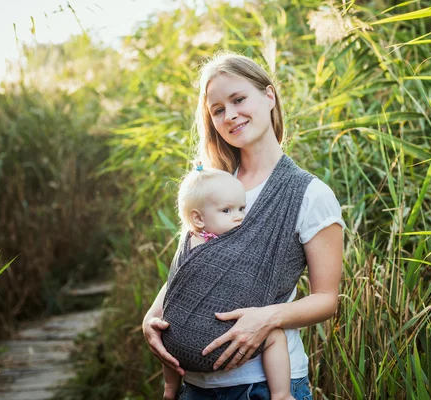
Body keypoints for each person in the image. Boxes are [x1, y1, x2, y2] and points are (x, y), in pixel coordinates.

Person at [143, 52, 345, 400]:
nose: (230, 115)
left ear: (269, 97)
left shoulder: (309, 194)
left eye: (238, 99)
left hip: (263, 386)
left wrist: (267, 319)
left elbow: (327, 300)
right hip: (195, 387)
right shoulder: (210, 187)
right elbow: (190, 268)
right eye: (218, 110)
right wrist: (152, 316)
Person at [162, 165, 295, 400]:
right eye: (227, 210)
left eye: (242, 208)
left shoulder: (188, 242)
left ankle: (170, 389)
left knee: (170, 328)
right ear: (198, 218)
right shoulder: (228, 246)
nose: (239, 217)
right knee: (275, 336)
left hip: (177, 349)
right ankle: (282, 394)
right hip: (220, 343)